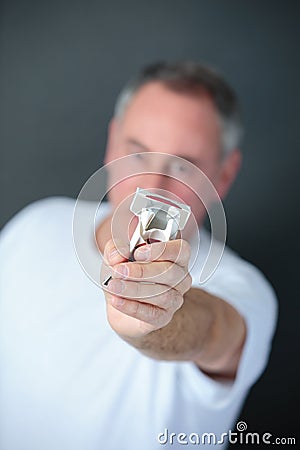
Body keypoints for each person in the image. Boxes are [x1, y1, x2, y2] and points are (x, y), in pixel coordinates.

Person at [0, 62, 277, 449]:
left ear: (224, 175)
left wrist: (154, 311)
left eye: (183, 166)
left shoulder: (243, 289)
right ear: (113, 142)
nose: (153, 186)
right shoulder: (35, 226)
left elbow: (211, 331)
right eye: (137, 153)